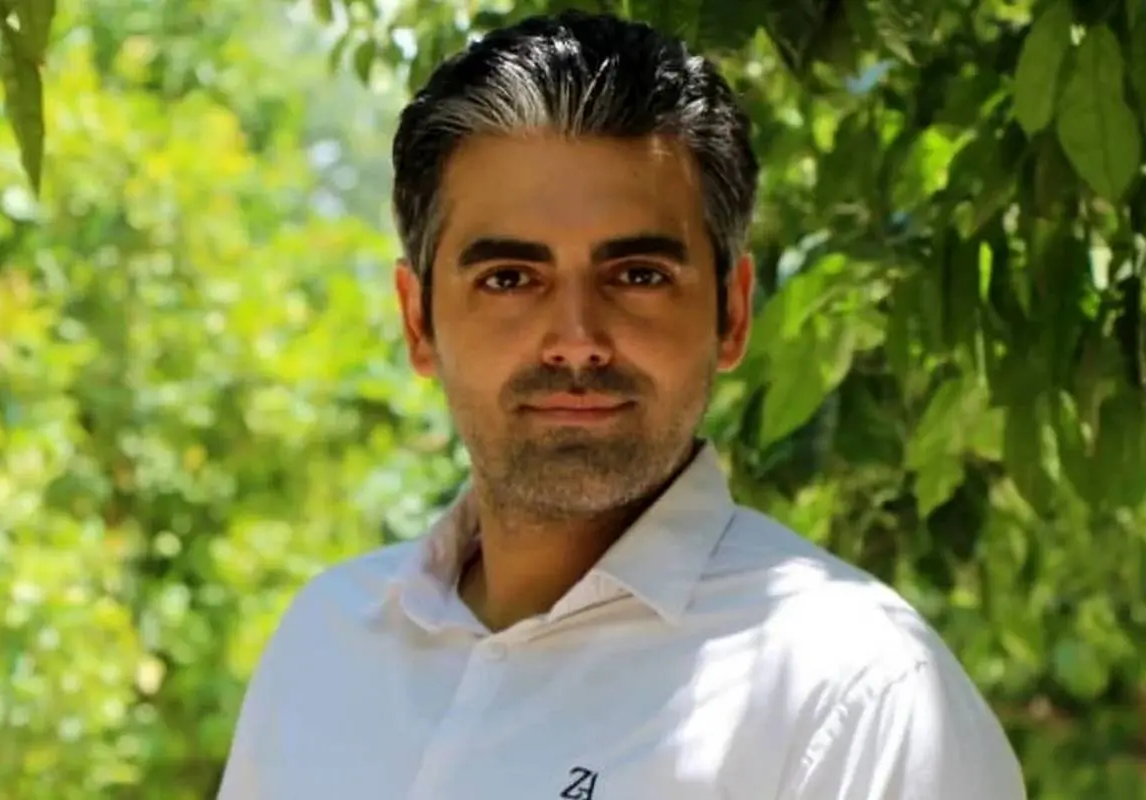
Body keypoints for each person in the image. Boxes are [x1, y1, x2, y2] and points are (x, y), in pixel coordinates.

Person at [216, 10, 1026, 800]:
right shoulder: (324, 646)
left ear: (732, 313)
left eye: (638, 275)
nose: (576, 341)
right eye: (509, 279)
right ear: (418, 321)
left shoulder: (854, 696)